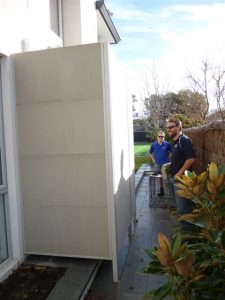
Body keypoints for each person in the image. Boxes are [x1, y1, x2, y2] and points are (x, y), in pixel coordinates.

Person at [166, 117, 196, 224]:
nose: (168, 129)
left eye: (171, 127)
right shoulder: (175, 142)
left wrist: (178, 174)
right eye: (167, 127)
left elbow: (191, 159)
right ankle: (184, 235)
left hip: (182, 181)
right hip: (175, 179)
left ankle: (187, 239)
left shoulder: (184, 140)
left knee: (184, 211)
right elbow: (179, 159)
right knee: (179, 210)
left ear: (178, 127)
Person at [149, 131, 172, 196]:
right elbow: (150, 153)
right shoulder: (153, 144)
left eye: (162, 137)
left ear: (164, 137)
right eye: (159, 136)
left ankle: (169, 191)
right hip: (158, 164)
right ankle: (162, 191)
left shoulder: (167, 144)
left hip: (165, 164)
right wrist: (153, 160)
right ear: (157, 137)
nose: (161, 138)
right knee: (160, 178)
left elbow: (171, 152)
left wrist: (169, 159)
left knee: (167, 177)